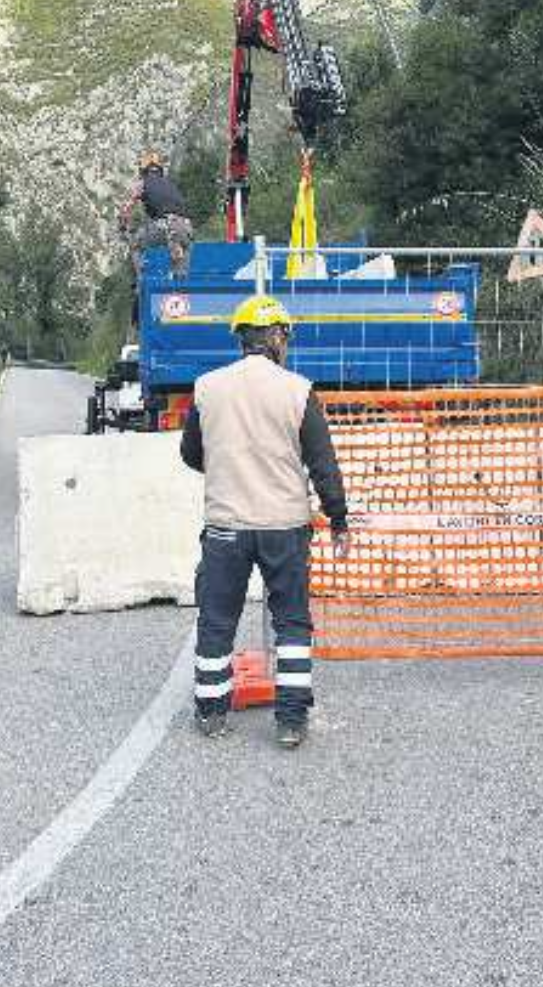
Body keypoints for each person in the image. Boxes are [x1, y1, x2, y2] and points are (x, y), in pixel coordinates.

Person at [179, 295, 350, 750]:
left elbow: (191, 454)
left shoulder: (206, 387)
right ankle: (291, 722)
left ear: (242, 339)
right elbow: (322, 464)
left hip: (225, 526)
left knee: (216, 621)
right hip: (284, 525)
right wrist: (338, 517)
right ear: (276, 337)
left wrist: (231, 466)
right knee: (291, 622)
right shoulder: (298, 389)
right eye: (285, 337)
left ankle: (212, 711)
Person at [118, 149, 193, 280]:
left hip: (167, 225)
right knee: (181, 274)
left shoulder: (143, 183)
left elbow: (125, 210)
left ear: (143, 170)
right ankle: (178, 278)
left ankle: (140, 283)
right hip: (187, 227)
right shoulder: (170, 184)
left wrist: (123, 226)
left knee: (135, 245)